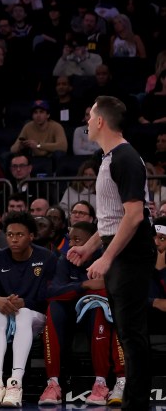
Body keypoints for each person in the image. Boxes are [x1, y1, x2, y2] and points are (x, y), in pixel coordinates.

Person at [68, 95, 156, 411]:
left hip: (131, 255)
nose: (87, 122)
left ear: (101, 121)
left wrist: (106, 257)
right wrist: (90, 247)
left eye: (90, 117)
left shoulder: (126, 158)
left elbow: (134, 216)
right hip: (121, 253)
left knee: (132, 333)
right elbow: (112, 218)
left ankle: (137, 404)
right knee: (126, 331)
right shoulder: (107, 158)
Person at [38, 221, 126, 407]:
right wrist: (84, 285)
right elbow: (52, 293)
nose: (72, 245)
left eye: (78, 240)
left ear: (93, 243)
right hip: (70, 313)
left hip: (98, 315)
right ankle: (52, 383)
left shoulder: (106, 259)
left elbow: (109, 291)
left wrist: (80, 291)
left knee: (98, 307)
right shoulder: (65, 260)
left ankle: (101, 383)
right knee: (53, 308)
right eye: (71, 240)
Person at [0, 211, 57, 408]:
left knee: (22, 314)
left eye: (20, 235)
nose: (14, 239)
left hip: (34, 315)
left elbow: (48, 296)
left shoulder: (47, 258)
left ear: (31, 236)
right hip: (3, 315)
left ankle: (15, 383)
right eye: (9, 235)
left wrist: (25, 303)